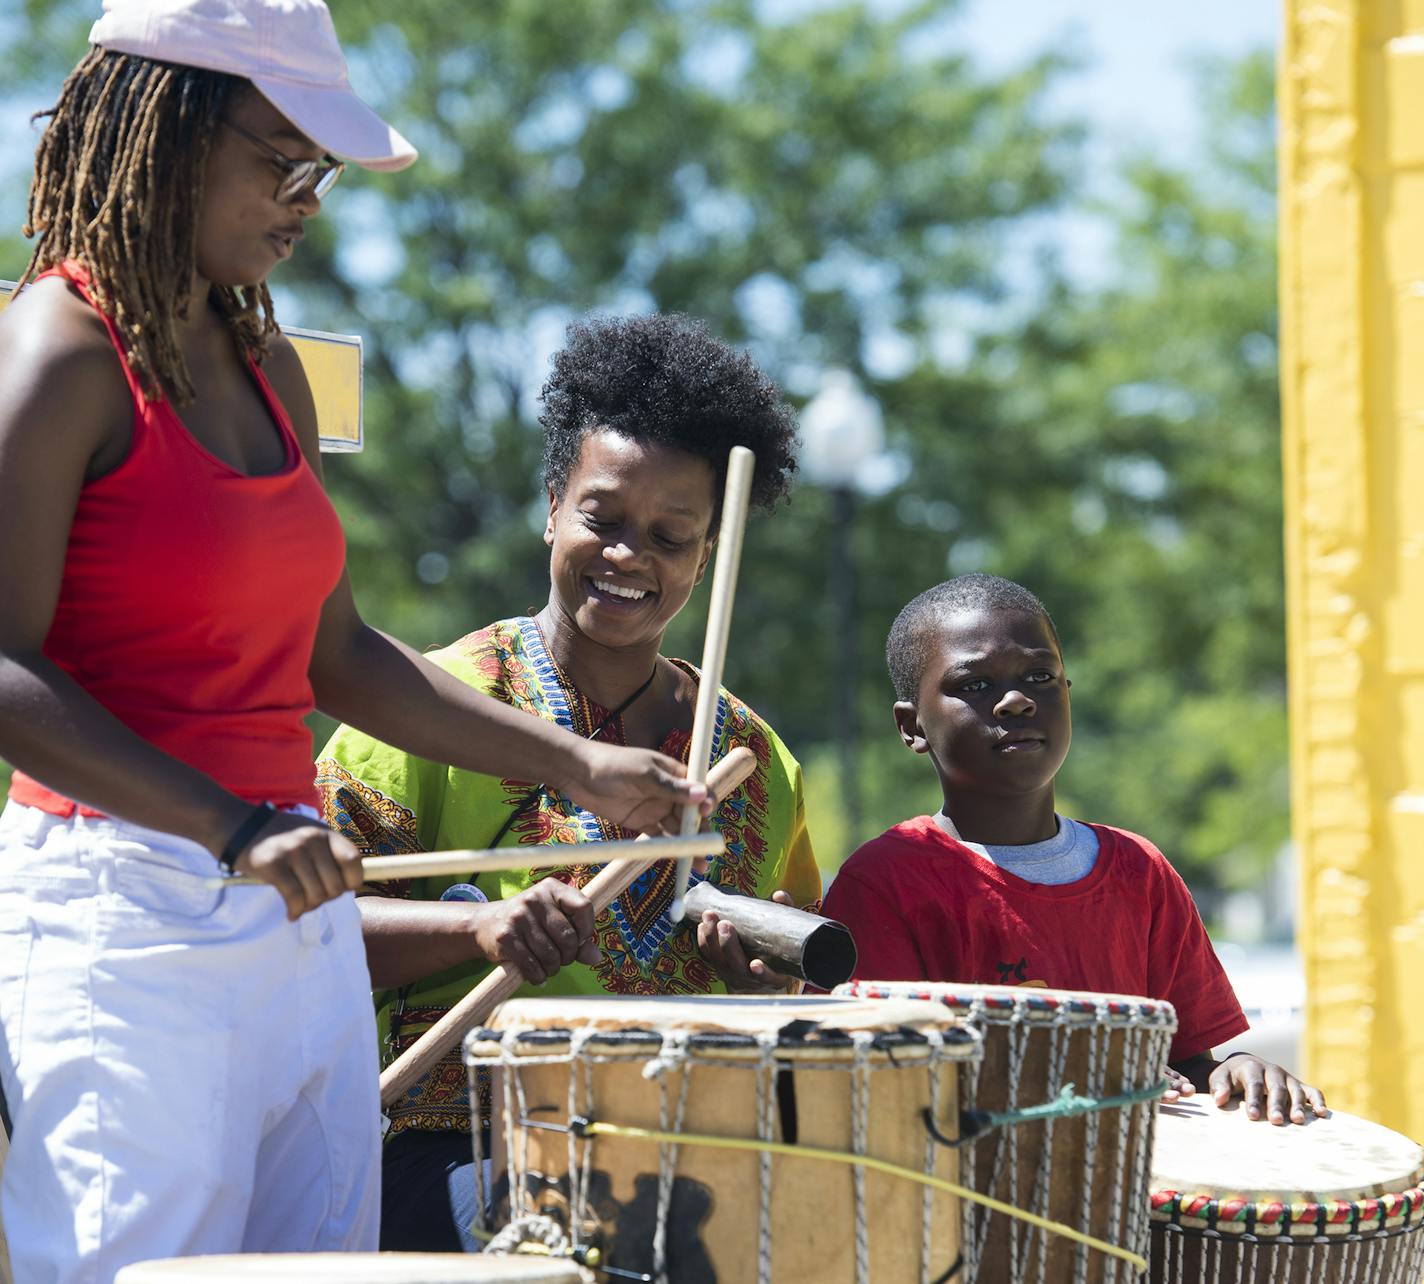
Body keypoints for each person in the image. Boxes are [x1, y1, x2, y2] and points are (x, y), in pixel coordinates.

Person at [0, 4, 710, 1279]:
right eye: (280, 157)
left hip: (289, 903)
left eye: (316, 170)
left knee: (315, 1265)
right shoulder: (56, 349)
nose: (304, 198)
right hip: (123, 901)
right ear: (162, 129)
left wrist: (571, 764)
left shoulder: (262, 350)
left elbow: (338, 653)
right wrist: (229, 825)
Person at [317, 312, 822, 1252]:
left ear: (708, 554)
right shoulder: (421, 713)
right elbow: (292, 937)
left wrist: (756, 978)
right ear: (554, 504)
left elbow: (793, 990)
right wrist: (474, 929)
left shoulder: (758, 758)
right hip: (452, 1143)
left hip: (698, 1146)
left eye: (673, 536)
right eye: (604, 519)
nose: (632, 555)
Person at [820, 573, 1327, 1127]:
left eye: (1039, 676)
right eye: (975, 685)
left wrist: (1237, 1071)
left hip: (1137, 1205)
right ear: (912, 726)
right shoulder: (885, 882)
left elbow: (1186, 1065)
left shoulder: (1140, 870)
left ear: (1066, 692)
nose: (1014, 700)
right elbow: (876, 1091)